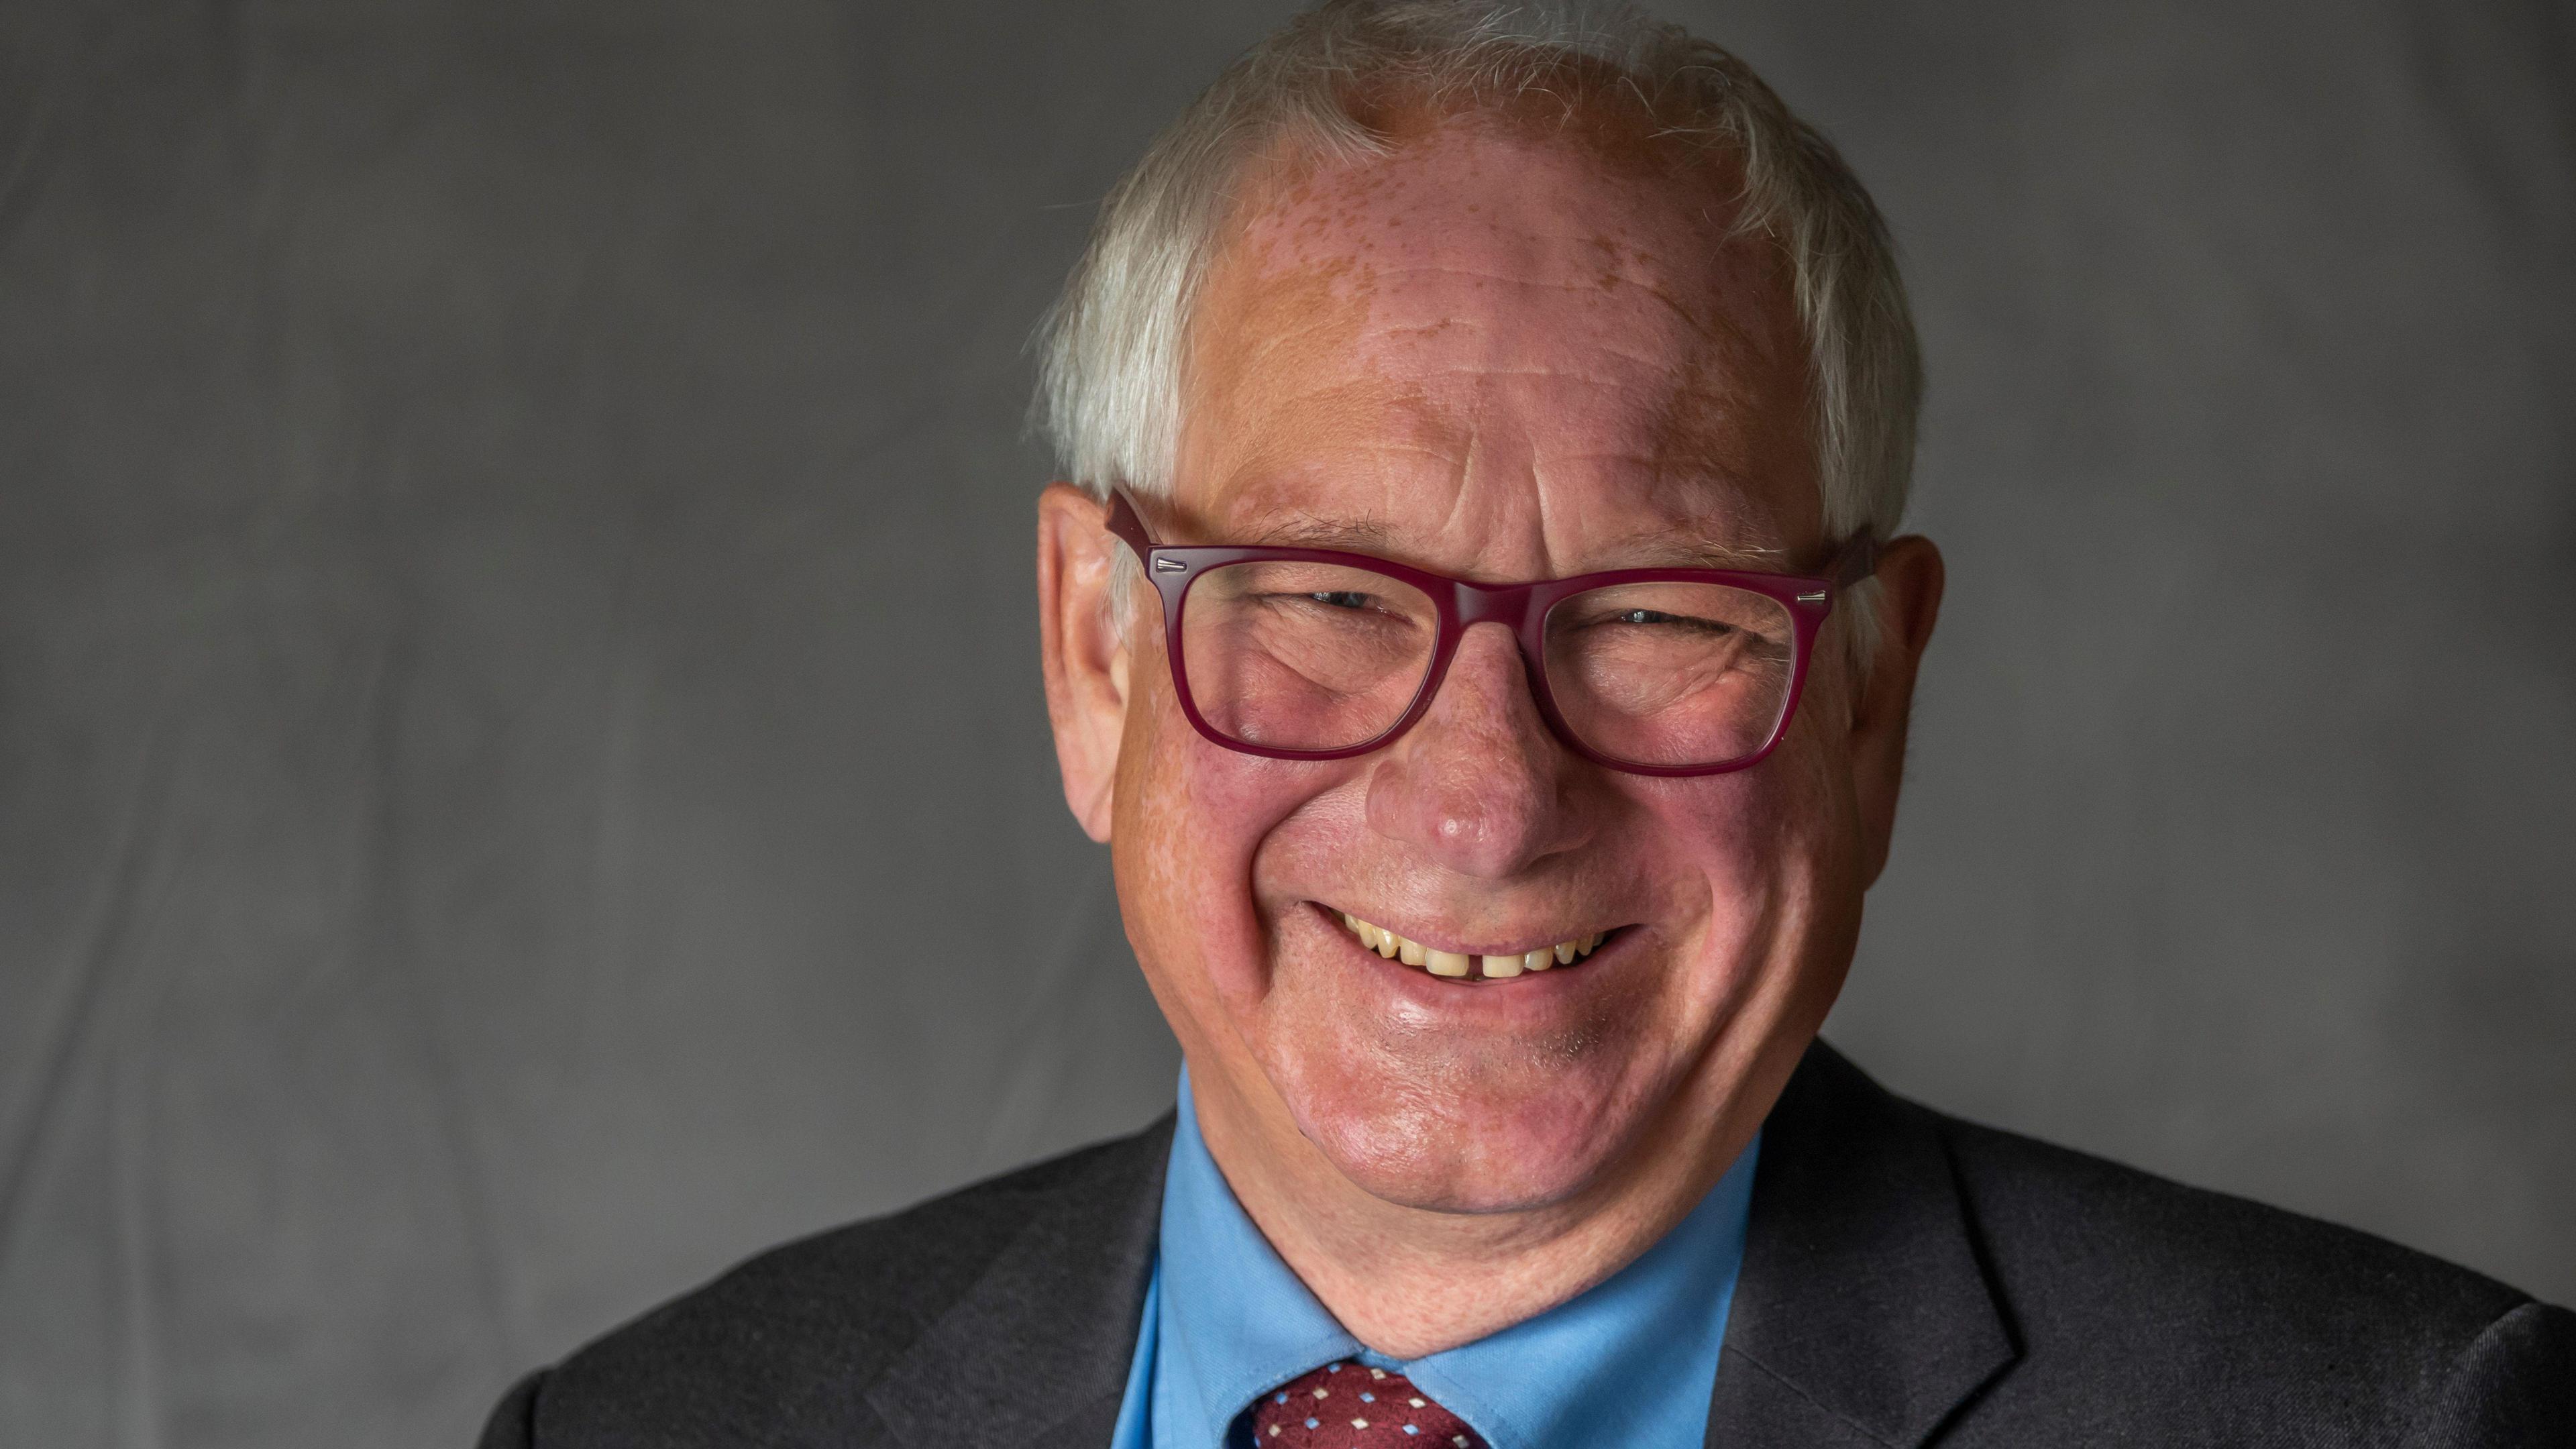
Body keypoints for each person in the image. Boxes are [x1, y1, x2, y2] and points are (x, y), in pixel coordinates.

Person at [476, 3, 2573, 1444]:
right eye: (1323, 592)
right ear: (1095, 657)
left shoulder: (2400, 1425)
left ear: (1871, 697)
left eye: (1658, 612)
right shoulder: (651, 1428)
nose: (1486, 799)